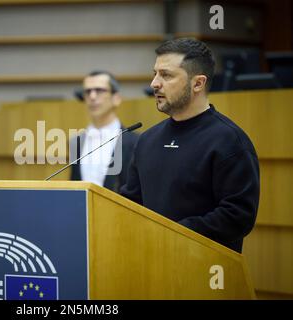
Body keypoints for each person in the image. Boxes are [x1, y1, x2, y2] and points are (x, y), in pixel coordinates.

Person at [120, 38, 260, 253]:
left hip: (206, 273)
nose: (154, 83)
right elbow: (130, 204)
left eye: (166, 75)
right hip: (148, 265)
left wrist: (172, 233)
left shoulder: (229, 140)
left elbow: (237, 216)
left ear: (198, 83)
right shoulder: (147, 140)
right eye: (155, 73)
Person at [70, 70, 138, 192]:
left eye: (99, 90)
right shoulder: (76, 142)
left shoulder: (135, 142)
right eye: (87, 91)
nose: (92, 96)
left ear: (116, 98)